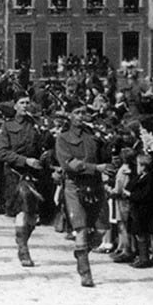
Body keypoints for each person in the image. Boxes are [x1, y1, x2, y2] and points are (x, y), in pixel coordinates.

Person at [55, 105, 114, 287]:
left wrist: (108, 141)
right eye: (77, 112)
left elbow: (106, 158)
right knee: (80, 228)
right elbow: (69, 163)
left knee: (101, 229)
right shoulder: (63, 138)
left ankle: (81, 253)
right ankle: (85, 273)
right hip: (74, 185)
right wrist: (95, 168)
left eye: (84, 113)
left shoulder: (93, 136)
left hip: (95, 185)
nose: (81, 116)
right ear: (70, 116)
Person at [0, 94, 43, 267]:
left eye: (27, 103)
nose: (25, 106)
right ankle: (23, 249)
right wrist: (25, 160)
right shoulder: (8, 127)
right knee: (22, 212)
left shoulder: (36, 125)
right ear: (15, 106)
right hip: (15, 174)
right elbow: (2, 153)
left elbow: (43, 149)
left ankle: (21, 240)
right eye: (21, 103)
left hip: (34, 173)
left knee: (32, 216)